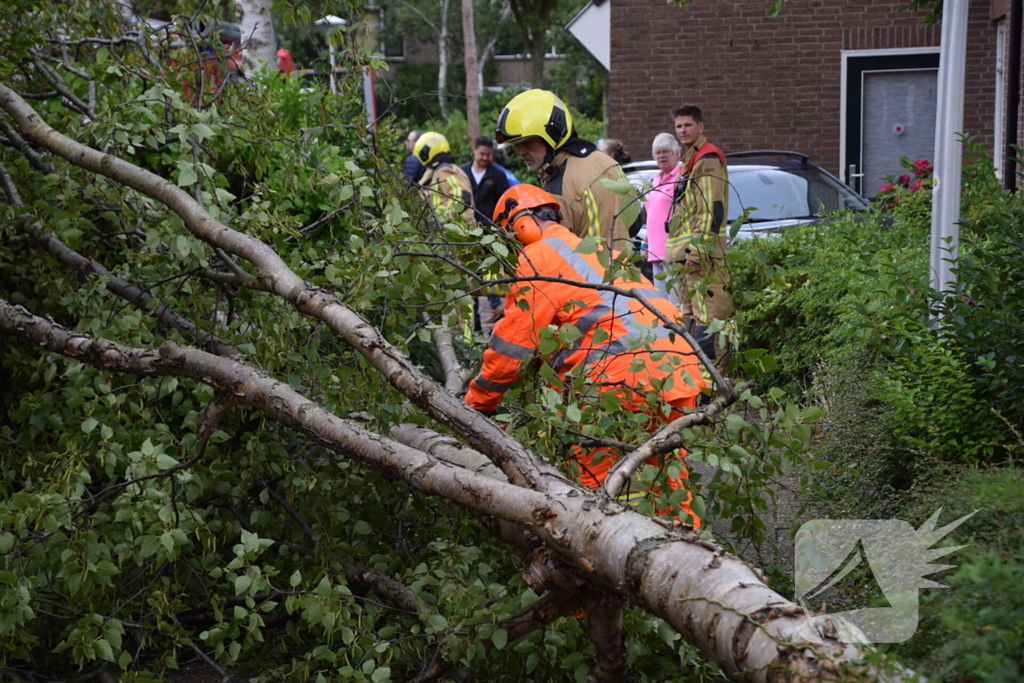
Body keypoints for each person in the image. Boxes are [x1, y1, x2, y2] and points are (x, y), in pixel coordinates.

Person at [463, 185, 704, 525]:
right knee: (667, 483)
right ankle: (693, 557)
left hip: (617, 384)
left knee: (598, 496)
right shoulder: (603, 252)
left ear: (519, 225)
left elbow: (511, 346)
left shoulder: (538, 258)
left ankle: (608, 564)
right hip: (677, 370)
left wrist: (476, 404)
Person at [495, 89, 630, 251]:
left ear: (553, 134)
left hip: (584, 276)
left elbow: (552, 253)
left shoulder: (556, 190)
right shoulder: (609, 163)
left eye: (527, 143)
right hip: (627, 273)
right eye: (517, 145)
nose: (520, 152)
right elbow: (635, 223)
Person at [665, 105, 733, 367]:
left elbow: (710, 210)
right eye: (678, 126)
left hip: (703, 258)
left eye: (687, 125)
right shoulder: (689, 161)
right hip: (686, 259)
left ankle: (714, 383)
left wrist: (696, 253)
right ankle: (696, 377)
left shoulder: (707, 159)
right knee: (690, 316)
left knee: (711, 318)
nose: (682, 130)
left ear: (701, 126)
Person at [644, 133, 683, 296]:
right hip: (655, 250)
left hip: (673, 249)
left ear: (676, 153)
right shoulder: (656, 179)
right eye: (658, 152)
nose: (661, 156)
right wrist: (646, 242)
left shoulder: (681, 177)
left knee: (675, 301)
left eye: (666, 151)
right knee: (661, 302)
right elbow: (652, 213)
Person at [414, 132, 474, 223]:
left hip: (458, 232)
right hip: (455, 231)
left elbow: (461, 197)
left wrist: (440, 217)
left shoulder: (444, 171)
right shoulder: (443, 169)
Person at [461, 135, 509, 226]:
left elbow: (503, 204)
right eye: (482, 154)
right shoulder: (462, 172)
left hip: (489, 230)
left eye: (488, 154)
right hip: (466, 228)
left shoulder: (498, 175)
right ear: (474, 150)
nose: (485, 158)